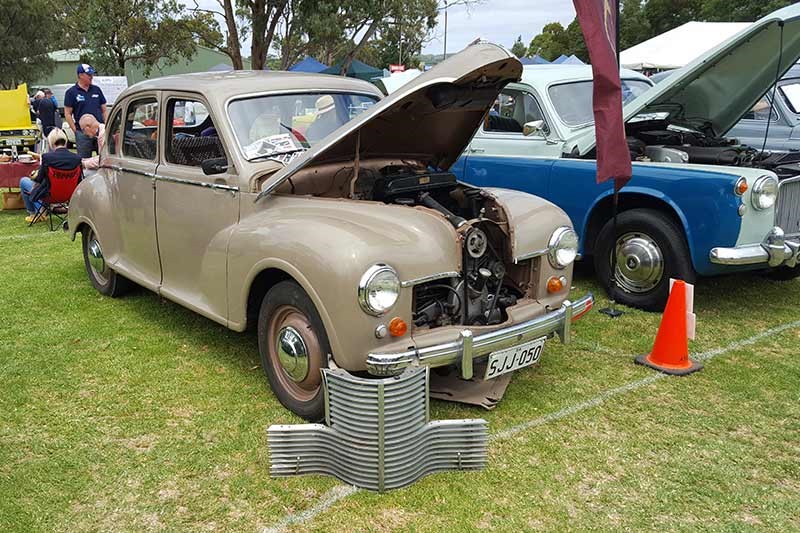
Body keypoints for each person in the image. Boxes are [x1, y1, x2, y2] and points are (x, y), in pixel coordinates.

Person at [19, 128, 82, 223]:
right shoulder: (77, 158)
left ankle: (33, 213)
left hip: (50, 195)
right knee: (45, 185)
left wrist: (33, 175)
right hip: (69, 194)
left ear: (51, 142)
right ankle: (40, 212)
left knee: (24, 181)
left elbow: (39, 179)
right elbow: (79, 180)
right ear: (65, 141)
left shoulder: (47, 157)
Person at [64, 64, 108, 158]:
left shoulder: (97, 90)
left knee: (104, 158)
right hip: (82, 133)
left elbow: (104, 110)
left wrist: (106, 126)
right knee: (84, 160)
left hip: (99, 131)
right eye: (89, 75)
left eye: (92, 74)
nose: (91, 77)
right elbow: (67, 114)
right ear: (80, 75)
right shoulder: (71, 92)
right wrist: (76, 131)